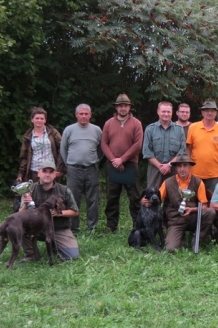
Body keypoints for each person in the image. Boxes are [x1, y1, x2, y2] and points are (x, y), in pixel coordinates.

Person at [20, 160, 80, 261]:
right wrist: (26, 204)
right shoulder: (29, 189)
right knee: (19, 227)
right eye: (44, 171)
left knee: (72, 256)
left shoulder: (64, 190)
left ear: (55, 174)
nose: (47, 175)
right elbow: (20, 214)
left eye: (51, 172)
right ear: (38, 173)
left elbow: (75, 212)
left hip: (58, 229)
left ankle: (54, 245)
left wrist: (59, 213)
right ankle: (31, 254)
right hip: (37, 228)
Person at [101, 94, 144, 233]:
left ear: (130, 107)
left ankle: (137, 226)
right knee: (112, 196)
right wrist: (113, 159)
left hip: (130, 165)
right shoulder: (108, 123)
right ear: (116, 107)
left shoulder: (136, 123)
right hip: (112, 165)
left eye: (125, 105)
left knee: (135, 197)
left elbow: (137, 145)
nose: (123, 108)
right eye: (120, 106)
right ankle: (111, 226)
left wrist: (122, 159)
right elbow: (104, 143)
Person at [158, 153, 216, 251]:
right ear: (176, 168)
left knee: (210, 212)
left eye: (185, 165)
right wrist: (145, 200)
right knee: (170, 248)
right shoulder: (168, 182)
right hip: (176, 220)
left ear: (190, 167)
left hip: (193, 217)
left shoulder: (198, 182)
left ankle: (197, 238)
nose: (182, 169)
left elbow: (204, 206)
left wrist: (192, 209)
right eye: (179, 166)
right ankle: (180, 237)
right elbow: (157, 198)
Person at [61, 103, 102, 233]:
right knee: (72, 199)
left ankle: (92, 227)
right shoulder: (69, 130)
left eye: (86, 114)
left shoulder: (97, 130)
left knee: (93, 199)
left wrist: (94, 161)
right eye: (81, 114)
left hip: (91, 169)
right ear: (76, 115)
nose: (83, 116)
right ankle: (73, 227)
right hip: (73, 170)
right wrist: (69, 165)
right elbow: (63, 149)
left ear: (90, 115)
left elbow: (101, 149)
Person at [186, 99, 218, 194]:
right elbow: (188, 149)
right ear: (202, 112)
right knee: (193, 199)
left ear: (216, 113)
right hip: (195, 172)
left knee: (213, 200)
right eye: (207, 110)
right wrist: (188, 168)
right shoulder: (193, 127)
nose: (209, 113)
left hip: (214, 174)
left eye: (212, 111)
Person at [142, 101, 186, 189]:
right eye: (163, 111)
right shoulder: (150, 129)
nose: (166, 114)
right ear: (158, 112)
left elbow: (182, 151)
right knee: (153, 195)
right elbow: (147, 152)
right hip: (155, 170)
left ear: (172, 113)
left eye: (168, 112)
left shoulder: (179, 129)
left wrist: (169, 165)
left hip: (173, 169)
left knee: (174, 195)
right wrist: (160, 166)